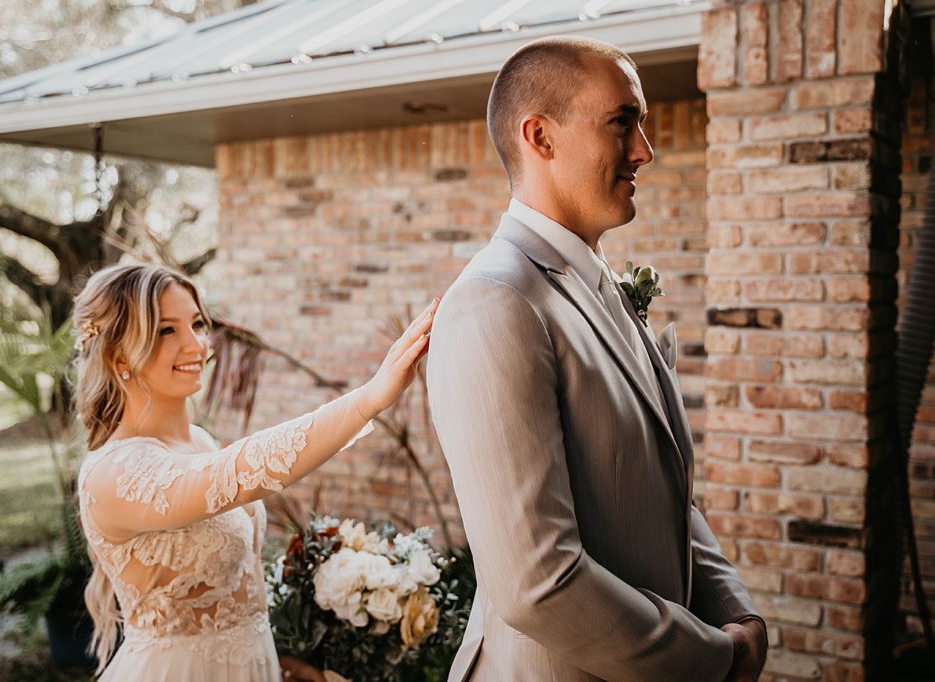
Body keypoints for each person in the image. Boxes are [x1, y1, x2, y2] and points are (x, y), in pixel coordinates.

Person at [426, 37, 767, 681]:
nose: (645, 150)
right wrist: (712, 662)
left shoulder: (600, 285)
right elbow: (538, 581)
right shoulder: (496, 302)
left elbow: (661, 492)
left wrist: (738, 614)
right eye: (622, 122)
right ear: (541, 137)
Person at [72, 263, 436, 680]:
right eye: (165, 331)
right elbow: (236, 472)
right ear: (119, 355)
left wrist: (280, 659)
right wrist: (366, 401)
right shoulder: (111, 474)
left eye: (197, 323)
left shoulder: (200, 441)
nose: (196, 345)